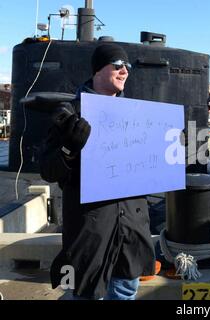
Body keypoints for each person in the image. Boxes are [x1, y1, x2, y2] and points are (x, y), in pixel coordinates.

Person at [39, 43, 156, 300]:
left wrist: (169, 147)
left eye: (127, 66)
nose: (124, 71)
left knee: (125, 290)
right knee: (84, 293)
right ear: (97, 71)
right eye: (117, 65)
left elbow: (151, 170)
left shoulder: (140, 117)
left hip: (130, 227)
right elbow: (47, 169)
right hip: (90, 230)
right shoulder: (70, 114)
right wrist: (70, 148)